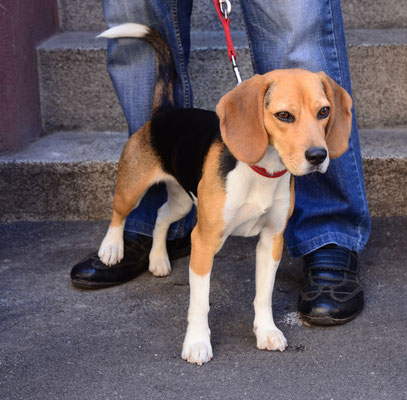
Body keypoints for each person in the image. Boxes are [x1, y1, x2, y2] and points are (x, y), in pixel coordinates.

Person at [71, 0, 371, 325]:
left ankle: (328, 233)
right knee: (136, 5)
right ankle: (128, 227)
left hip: (266, 180)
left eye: (322, 112)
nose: (315, 143)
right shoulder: (244, 114)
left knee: (296, 21)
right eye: (286, 115)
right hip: (177, 151)